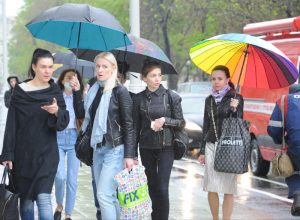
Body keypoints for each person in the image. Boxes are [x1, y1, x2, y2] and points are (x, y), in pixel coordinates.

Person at [0, 48, 70, 220]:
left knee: (44, 198)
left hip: (47, 154)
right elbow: (11, 123)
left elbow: (64, 121)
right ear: (34, 67)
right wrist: (8, 154)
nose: (48, 71)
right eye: (43, 67)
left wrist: (56, 112)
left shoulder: (54, 91)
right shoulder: (20, 91)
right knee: (26, 201)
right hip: (23, 155)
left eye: (50, 67)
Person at [70, 52, 135, 220]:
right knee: (109, 196)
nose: (100, 69)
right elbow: (82, 115)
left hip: (115, 149)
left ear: (113, 68)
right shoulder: (94, 90)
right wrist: (77, 91)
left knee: (104, 195)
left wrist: (130, 155)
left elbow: (129, 125)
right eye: (98, 66)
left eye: (104, 66)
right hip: (97, 150)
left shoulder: (120, 91)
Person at [133, 60, 185, 220]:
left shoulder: (171, 97)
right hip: (146, 148)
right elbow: (134, 128)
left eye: (159, 75)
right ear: (144, 78)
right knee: (152, 187)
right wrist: (132, 154)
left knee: (162, 188)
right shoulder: (138, 99)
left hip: (166, 147)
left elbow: (181, 122)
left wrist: (165, 121)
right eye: (153, 76)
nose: (157, 79)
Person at [197, 65, 243, 220]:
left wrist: (234, 109)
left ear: (227, 80)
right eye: (213, 79)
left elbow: (239, 124)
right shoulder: (209, 100)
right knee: (211, 187)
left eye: (220, 79)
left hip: (229, 147)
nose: (216, 82)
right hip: (211, 145)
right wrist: (202, 150)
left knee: (228, 189)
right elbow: (206, 125)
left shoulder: (236, 98)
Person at [53, 69, 84, 220]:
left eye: (74, 78)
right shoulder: (57, 96)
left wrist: (78, 93)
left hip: (74, 138)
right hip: (58, 138)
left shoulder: (80, 96)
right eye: (68, 78)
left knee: (72, 179)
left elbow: (82, 114)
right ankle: (59, 204)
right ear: (62, 80)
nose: (71, 81)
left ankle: (68, 214)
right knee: (59, 176)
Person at [267, 84, 300, 216]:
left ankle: (297, 192)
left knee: (293, 168)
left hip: (296, 145)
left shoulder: (284, 100)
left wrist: (278, 141)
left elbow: (274, 128)